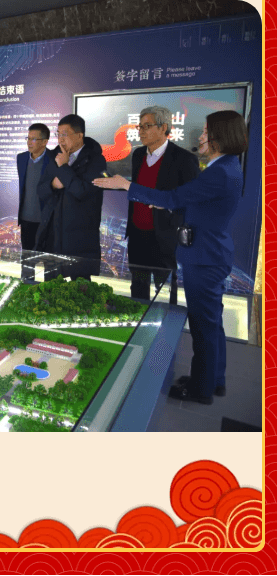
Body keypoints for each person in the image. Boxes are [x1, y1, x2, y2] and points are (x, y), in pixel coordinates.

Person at [93, 110, 248, 405]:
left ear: (221, 135)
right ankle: (214, 379)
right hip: (210, 252)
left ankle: (201, 389)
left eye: (206, 132)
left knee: (202, 326)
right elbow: (192, 202)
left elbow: (175, 197)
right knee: (211, 322)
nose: (200, 136)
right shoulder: (227, 166)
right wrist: (165, 204)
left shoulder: (219, 171)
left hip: (204, 256)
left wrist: (126, 185)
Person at [126, 106, 200, 304]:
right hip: (137, 235)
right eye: (139, 126)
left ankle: (166, 322)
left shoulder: (184, 159)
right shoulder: (138, 155)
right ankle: (138, 321)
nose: (141, 131)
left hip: (165, 237)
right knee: (137, 288)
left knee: (165, 291)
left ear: (163, 127)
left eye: (147, 126)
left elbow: (191, 200)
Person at [35, 114, 107, 281]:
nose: (60, 139)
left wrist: (64, 167)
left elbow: (82, 191)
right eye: (58, 134)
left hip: (80, 235)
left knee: (80, 286)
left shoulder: (96, 160)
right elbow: (40, 190)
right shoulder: (55, 156)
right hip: (54, 234)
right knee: (51, 286)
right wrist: (53, 185)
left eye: (64, 134)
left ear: (80, 135)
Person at [17, 123, 52, 251]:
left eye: (33, 139)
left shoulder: (53, 159)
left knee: (47, 259)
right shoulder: (21, 158)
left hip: (47, 221)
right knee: (27, 259)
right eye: (28, 138)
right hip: (26, 219)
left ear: (44, 142)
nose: (29, 142)